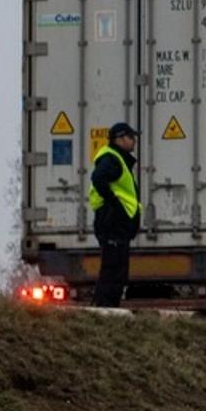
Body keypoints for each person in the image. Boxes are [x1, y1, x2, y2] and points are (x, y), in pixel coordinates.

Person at [89, 122, 141, 307]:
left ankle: (108, 308)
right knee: (112, 270)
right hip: (112, 223)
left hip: (117, 224)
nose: (134, 141)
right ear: (120, 139)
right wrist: (114, 203)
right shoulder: (112, 159)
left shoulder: (119, 159)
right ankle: (105, 309)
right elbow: (97, 178)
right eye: (131, 137)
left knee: (117, 270)